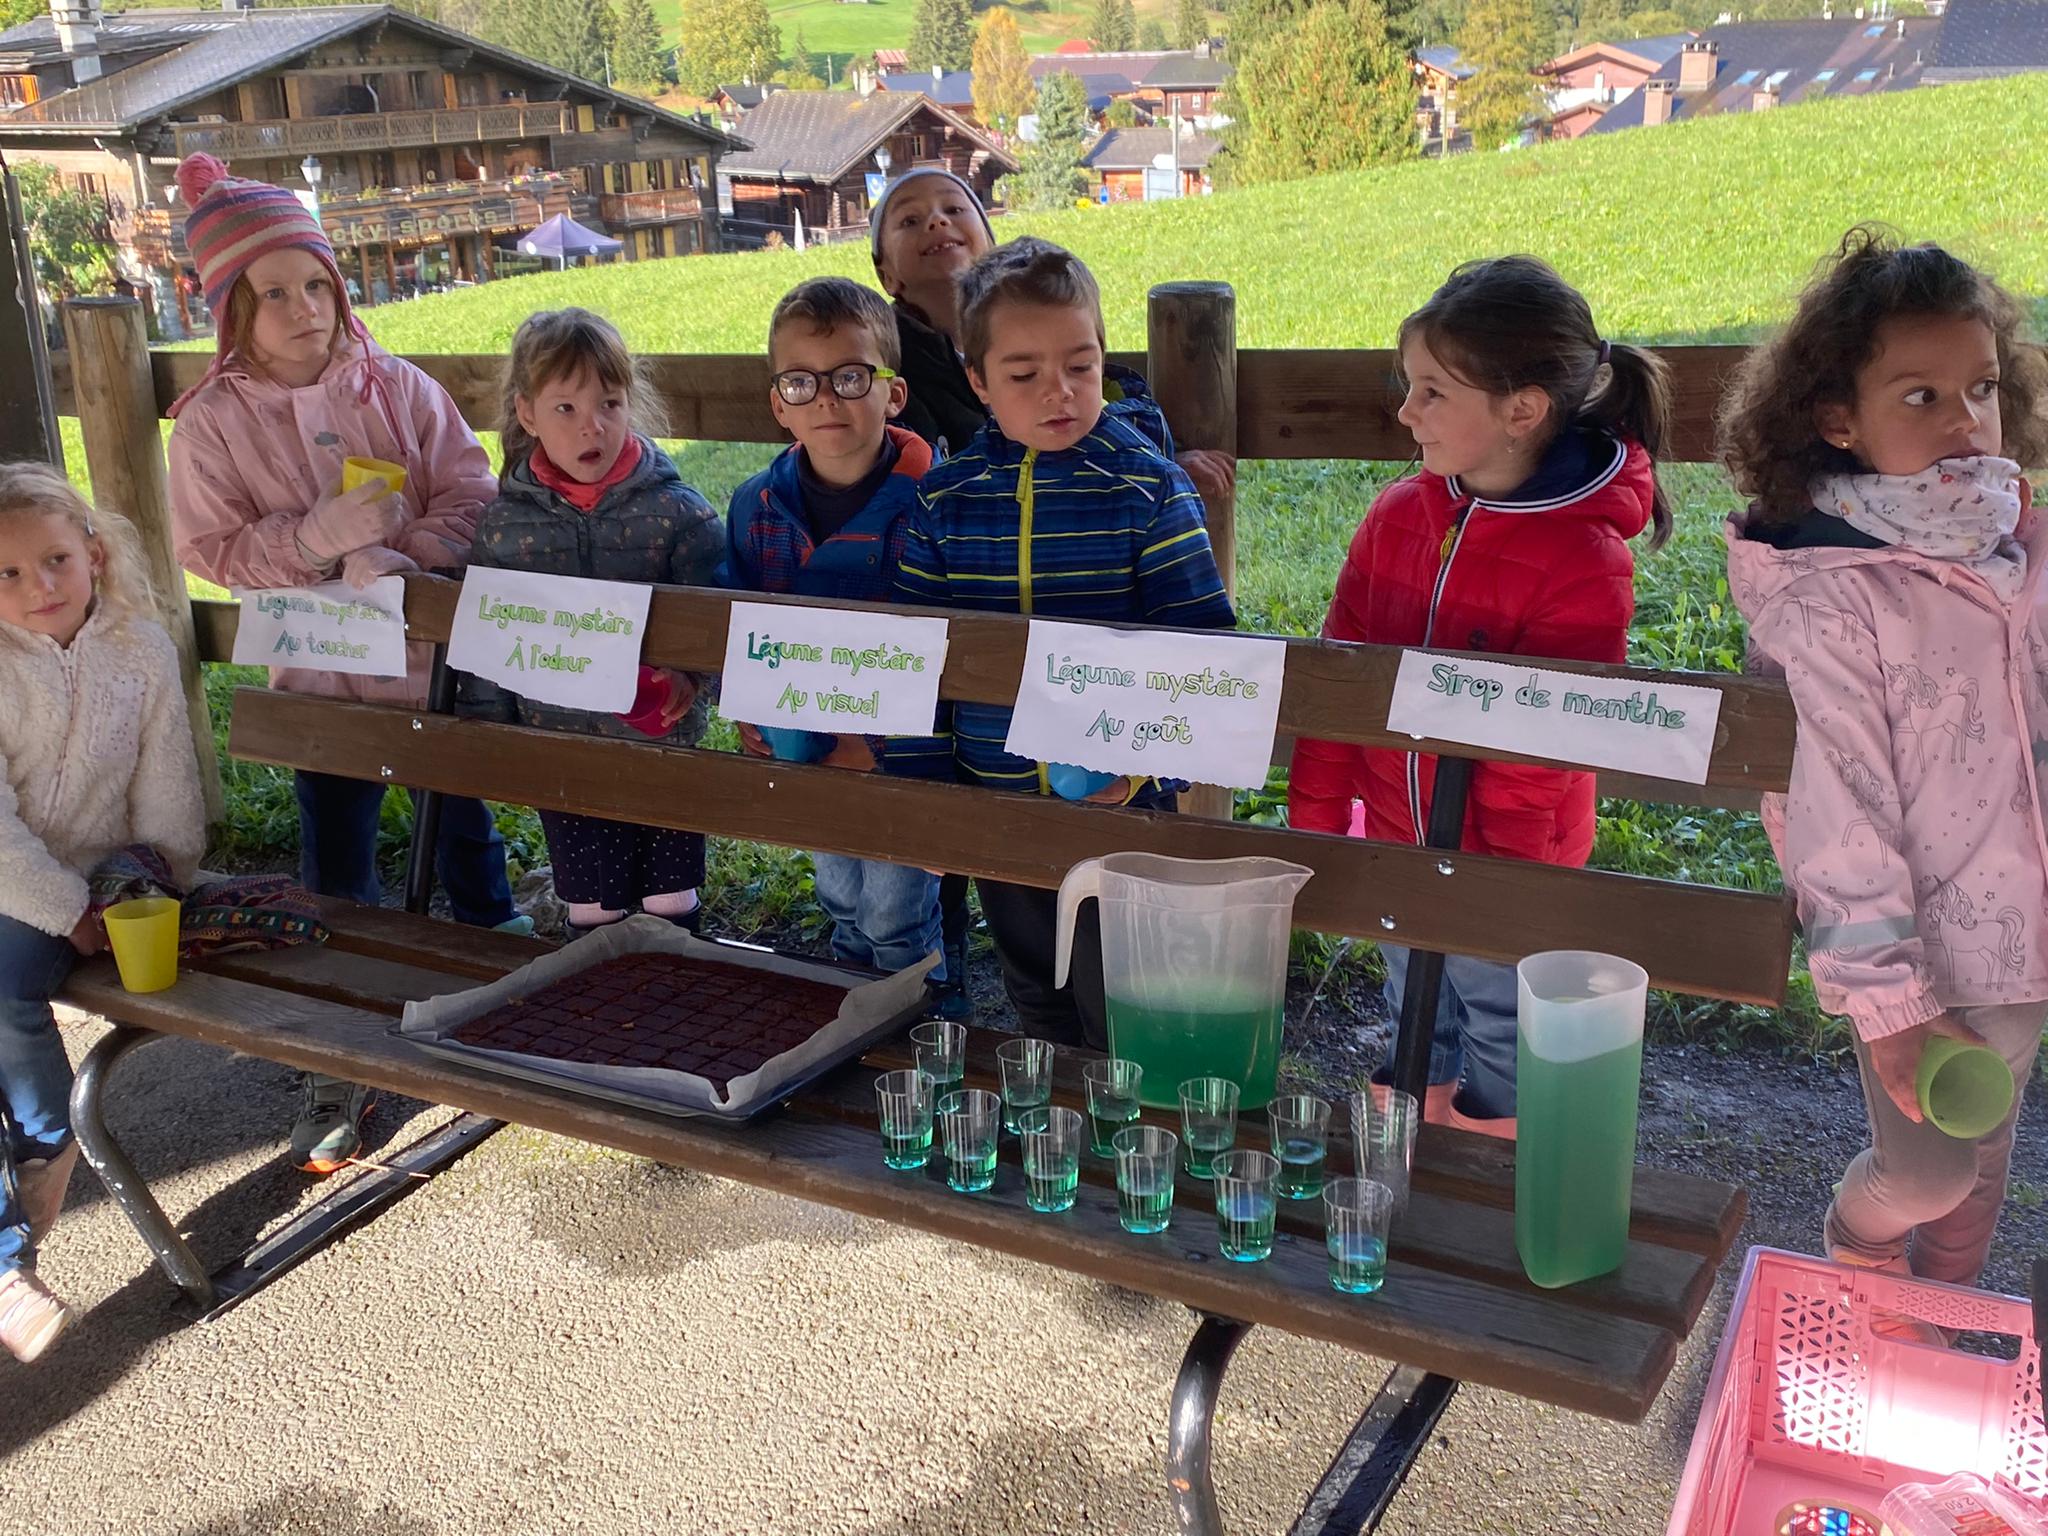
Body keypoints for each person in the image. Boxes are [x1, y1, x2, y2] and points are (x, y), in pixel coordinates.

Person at [164, 152, 525, 1175]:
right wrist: (315, 538)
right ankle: (341, 1048)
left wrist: (411, 551)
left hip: (428, 672)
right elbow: (210, 548)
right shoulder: (211, 426)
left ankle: (509, 990)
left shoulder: (399, 388)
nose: (303, 310)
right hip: (318, 686)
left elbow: (472, 491)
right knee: (336, 859)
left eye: (315, 284)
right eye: (273, 293)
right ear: (231, 311)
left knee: (464, 827)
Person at [1722, 228, 2048, 1299]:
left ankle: (1933, 1318)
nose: (1964, 421)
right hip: (1912, 951)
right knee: (1925, 1173)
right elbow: (1835, 811)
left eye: (1981, 388)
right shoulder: (1831, 596)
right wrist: (1891, 1004)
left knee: (1982, 1164)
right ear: (1837, 419)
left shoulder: (2018, 551)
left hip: (2022, 933)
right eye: (1920, 396)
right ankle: (1858, 1252)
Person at [1287, 256, 1673, 1139]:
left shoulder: (1583, 560)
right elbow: (1340, 679)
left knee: (1500, 1022)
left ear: (1521, 411)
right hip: (1397, 839)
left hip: (1506, 865)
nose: (1406, 411)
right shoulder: (1396, 517)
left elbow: (1548, 746)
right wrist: (1319, 814)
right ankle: (1415, 1155)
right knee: (1414, 1011)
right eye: (1409, 385)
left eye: (1432, 392)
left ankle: (1493, 1164)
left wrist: (1493, 876)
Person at [867, 168, 1237, 1015]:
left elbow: (1201, 653)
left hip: (1122, 811)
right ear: (978, 380)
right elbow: (916, 662)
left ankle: (1124, 1099)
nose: (1059, 391)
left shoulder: (1149, 490)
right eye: (1024, 373)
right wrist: (927, 793)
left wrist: (1139, 769)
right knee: (1034, 987)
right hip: (996, 801)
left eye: (1080, 364)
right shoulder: (947, 502)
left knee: (1126, 995)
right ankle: (1050, 1099)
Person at [0, 464, 206, 1362]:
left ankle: (39, 1158)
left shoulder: (141, 649)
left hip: (94, 882)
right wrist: (63, 906)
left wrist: (149, 891)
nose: (37, 587)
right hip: (17, 883)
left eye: (55, 560)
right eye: (7, 573)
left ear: (95, 553)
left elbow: (168, 788)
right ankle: (21, 1221)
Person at [719, 278, 956, 1008]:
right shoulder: (756, 506)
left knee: (894, 912)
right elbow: (739, 617)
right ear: (778, 404)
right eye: (801, 382)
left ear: (893, 393)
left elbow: (958, 648)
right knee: (840, 895)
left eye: (851, 377)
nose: (826, 398)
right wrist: (750, 710)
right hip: (809, 754)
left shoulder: (939, 504)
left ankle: (921, 1025)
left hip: (903, 762)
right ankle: (854, 1015)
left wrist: (881, 749)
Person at [460, 308, 722, 939]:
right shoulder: (505, 527)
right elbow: (488, 640)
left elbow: (716, 620)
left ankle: (681, 988)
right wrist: (491, 731)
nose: (592, 426)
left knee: (669, 899)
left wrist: (691, 681)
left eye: (609, 403)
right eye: (566, 408)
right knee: (594, 906)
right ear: (527, 414)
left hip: (661, 748)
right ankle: (602, 991)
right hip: (562, 752)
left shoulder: (678, 514)